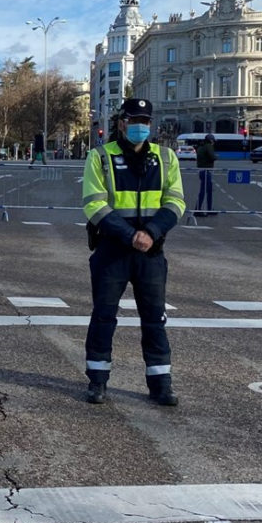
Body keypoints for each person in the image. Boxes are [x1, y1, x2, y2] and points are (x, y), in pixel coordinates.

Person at [82, 98, 185, 406]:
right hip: (112, 250)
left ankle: (161, 385)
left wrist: (150, 233)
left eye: (146, 121)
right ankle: (97, 382)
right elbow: (94, 204)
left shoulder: (166, 158)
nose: (141, 126)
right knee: (103, 317)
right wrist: (131, 236)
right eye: (135, 120)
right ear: (121, 122)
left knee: (155, 319)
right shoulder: (100, 157)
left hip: (151, 253)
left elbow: (176, 202)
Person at [195, 134, 217, 216]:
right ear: (211, 140)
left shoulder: (201, 147)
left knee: (207, 190)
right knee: (205, 191)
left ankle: (205, 209)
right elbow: (212, 157)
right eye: (213, 140)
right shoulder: (208, 146)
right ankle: (199, 210)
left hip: (201, 170)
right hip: (206, 171)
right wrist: (216, 156)